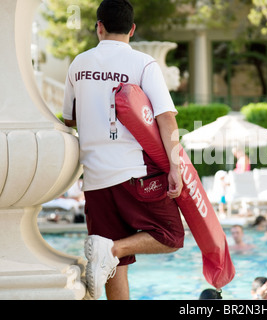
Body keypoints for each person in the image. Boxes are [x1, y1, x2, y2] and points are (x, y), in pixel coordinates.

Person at [62, 0, 184, 300]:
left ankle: (111, 250)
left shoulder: (78, 64)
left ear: (98, 27)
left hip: (95, 179)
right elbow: (166, 119)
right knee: (171, 236)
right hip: (135, 174)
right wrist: (175, 167)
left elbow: (69, 118)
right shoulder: (143, 63)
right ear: (132, 29)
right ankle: (114, 248)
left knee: (114, 266)